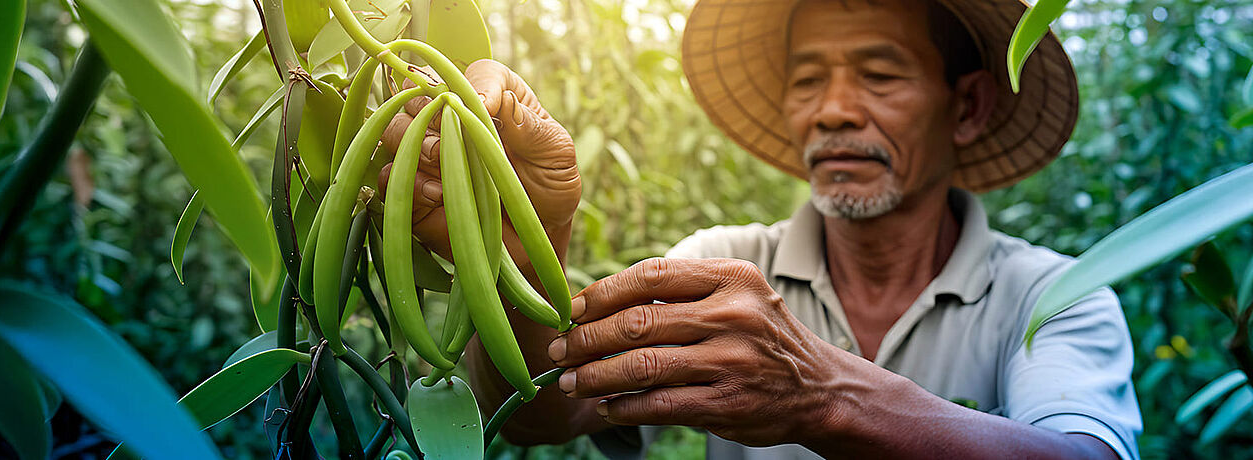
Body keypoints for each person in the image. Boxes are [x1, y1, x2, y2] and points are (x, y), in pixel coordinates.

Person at [379, 0, 1142, 457]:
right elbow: (550, 410)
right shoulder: (722, 265)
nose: (834, 110)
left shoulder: (1053, 296)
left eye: (879, 75)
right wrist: (520, 241)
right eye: (808, 79)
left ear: (968, 107)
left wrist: (823, 394)